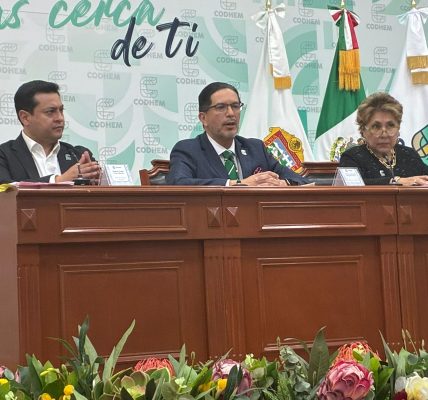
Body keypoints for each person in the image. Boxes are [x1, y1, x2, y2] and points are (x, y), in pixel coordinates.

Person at [166, 82, 307, 186]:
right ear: (203, 118)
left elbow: (301, 180)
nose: (231, 113)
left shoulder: (255, 148)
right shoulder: (188, 150)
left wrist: (282, 183)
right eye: (221, 107)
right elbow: (178, 183)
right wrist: (238, 184)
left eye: (235, 106)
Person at [0, 80, 100, 184]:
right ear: (25, 118)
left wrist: (97, 181)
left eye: (61, 110)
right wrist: (59, 180)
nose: (60, 118)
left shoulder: (78, 155)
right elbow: (5, 189)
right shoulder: (4, 156)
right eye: (50, 112)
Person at [339, 92, 428, 186]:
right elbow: (352, 186)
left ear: (398, 129)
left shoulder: (409, 155)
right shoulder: (352, 157)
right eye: (376, 126)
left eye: (390, 125)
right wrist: (396, 181)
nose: (384, 134)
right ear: (363, 130)